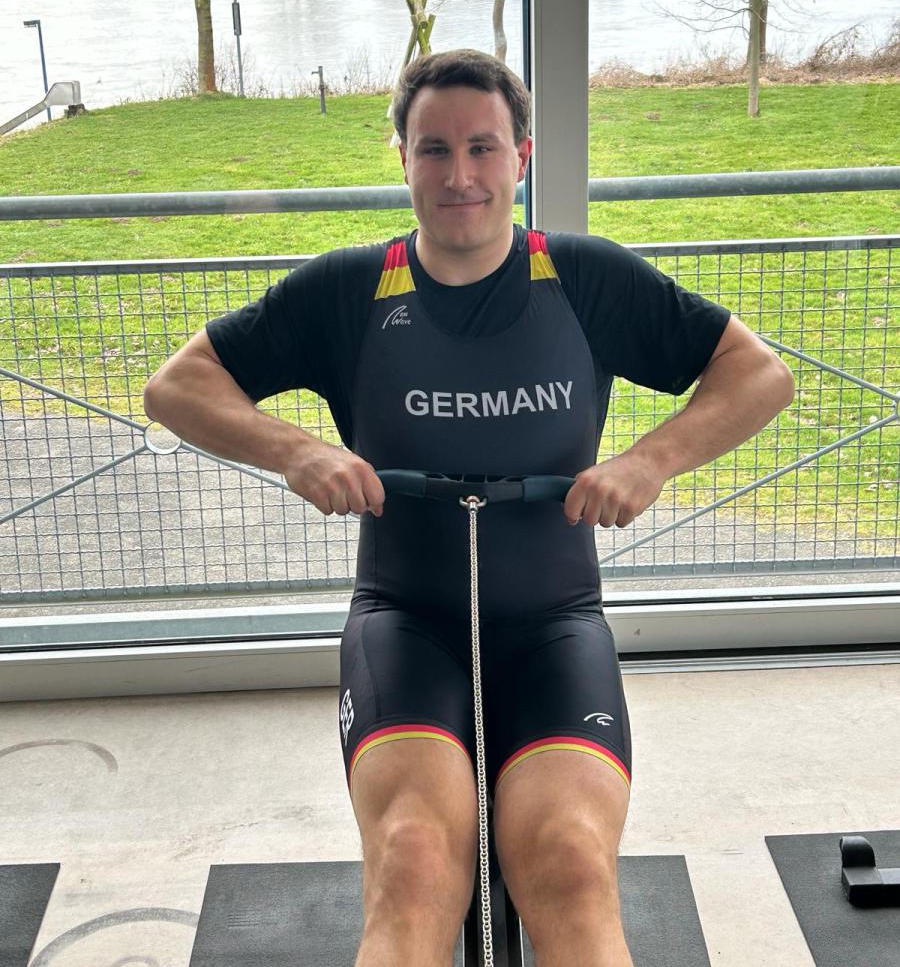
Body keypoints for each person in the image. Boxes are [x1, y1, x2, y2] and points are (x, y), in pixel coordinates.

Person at [143, 49, 794, 967]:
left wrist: (651, 460)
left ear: (521, 156)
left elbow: (758, 373)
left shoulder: (583, 278)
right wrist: (298, 450)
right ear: (401, 158)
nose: (460, 176)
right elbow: (177, 386)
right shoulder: (349, 290)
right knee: (413, 861)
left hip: (555, 625)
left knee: (571, 863)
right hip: (406, 625)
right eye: (434, 149)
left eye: (483, 148)